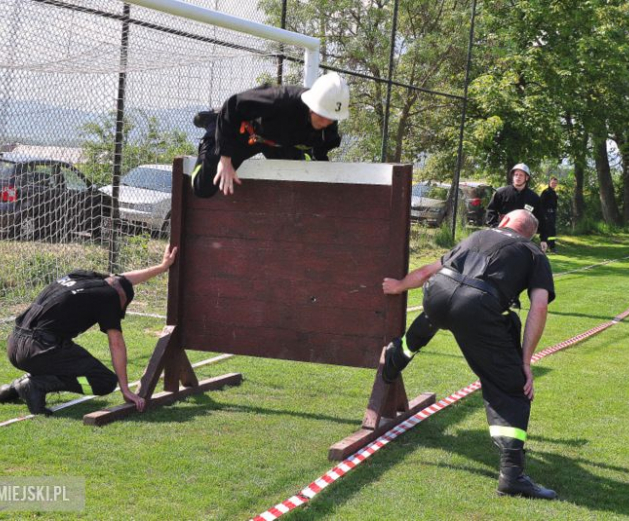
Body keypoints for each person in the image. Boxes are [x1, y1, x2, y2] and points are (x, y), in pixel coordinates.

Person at [382, 209, 557, 500]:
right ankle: (512, 476)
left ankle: (395, 358)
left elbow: (428, 272)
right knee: (512, 387)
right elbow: (539, 307)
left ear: (502, 221)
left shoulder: (477, 235)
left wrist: (399, 286)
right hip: (477, 305)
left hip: (436, 292)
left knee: (438, 310)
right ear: (531, 234)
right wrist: (525, 363)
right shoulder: (534, 254)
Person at [0, 245, 178, 415]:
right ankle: (36, 385)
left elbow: (122, 280)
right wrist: (125, 389)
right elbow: (116, 343)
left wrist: (162, 268)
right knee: (103, 382)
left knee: (64, 360)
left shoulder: (81, 276)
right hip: (41, 349)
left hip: (14, 344)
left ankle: (15, 389)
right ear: (121, 299)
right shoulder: (110, 297)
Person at [191, 72, 350, 198]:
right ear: (311, 106)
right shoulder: (280, 100)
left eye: (331, 119)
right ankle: (212, 125)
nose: (325, 122)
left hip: (280, 143)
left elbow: (321, 152)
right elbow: (232, 106)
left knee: (297, 182)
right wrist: (224, 159)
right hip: (249, 134)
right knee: (203, 187)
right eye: (321, 115)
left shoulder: (329, 124)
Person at [485, 163, 549, 252]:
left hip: (523, 239)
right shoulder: (501, 193)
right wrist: (496, 227)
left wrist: (543, 239)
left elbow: (541, 219)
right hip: (501, 236)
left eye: (521, 175)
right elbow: (491, 211)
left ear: (527, 178)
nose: (518, 177)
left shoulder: (534, 198)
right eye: (516, 175)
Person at [540, 176, 559, 252]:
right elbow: (541, 204)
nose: (554, 184)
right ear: (549, 183)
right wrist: (544, 215)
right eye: (553, 183)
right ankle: (545, 246)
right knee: (546, 231)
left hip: (552, 214)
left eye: (555, 183)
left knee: (552, 231)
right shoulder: (545, 192)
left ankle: (552, 247)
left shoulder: (554, 193)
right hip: (546, 214)